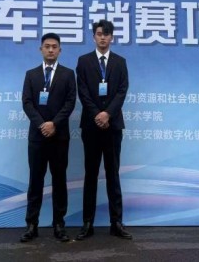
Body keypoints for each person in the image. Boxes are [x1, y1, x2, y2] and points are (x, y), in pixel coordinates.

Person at [75, 19, 131, 240]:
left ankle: (116, 223)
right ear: (94, 37)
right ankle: (87, 223)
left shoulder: (120, 62)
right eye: (99, 34)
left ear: (112, 37)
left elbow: (122, 91)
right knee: (90, 174)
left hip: (113, 126)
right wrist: (97, 114)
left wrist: (108, 114)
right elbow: (83, 92)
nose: (103, 37)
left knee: (113, 174)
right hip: (91, 126)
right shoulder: (84, 61)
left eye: (107, 34)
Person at [20, 33, 76, 243]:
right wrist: (41, 124)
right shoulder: (31, 75)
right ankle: (31, 225)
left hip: (59, 136)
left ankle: (59, 224)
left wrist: (54, 124)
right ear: (41, 49)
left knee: (59, 181)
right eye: (47, 46)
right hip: (37, 136)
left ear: (60, 50)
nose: (50, 50)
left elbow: (70, 102)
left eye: (54, 46)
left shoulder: (68, 74)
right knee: (35, 180)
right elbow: (27, 102)